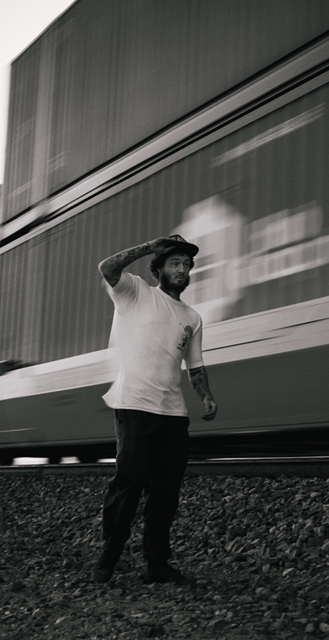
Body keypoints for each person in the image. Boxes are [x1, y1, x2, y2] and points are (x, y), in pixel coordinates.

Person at [92, 234, 218, 585]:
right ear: (159, 268)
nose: (183, 269)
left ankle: (157, 563)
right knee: (129, 482)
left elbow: (195, 365)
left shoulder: (192, 317)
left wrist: (205, 395)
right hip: (134, 404)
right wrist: (151, 245)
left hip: (173, 414)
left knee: (165, 491)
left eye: (187, 265)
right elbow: (107, 267)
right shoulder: (135, 292)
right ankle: (109, 557)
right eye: (176, 263)